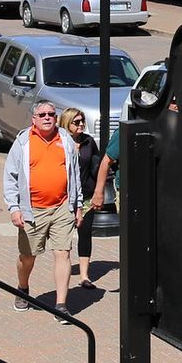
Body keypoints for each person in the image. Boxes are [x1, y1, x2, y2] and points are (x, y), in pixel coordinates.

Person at [5, 100, 81, 316]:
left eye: (51, 114)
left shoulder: (65, 140)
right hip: (32, 209)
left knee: (63, 253)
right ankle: (22, 288)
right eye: (42, 115)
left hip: (62, 207)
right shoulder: (23, 142)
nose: (47, 118)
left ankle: (61, 305)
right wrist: (14, 208)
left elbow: (74, 175)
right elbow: (10, 178)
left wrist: (77, 205)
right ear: (34, 119)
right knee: (27, 257)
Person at [60, 108, 102, 289]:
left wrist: (98, 191)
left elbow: (97, 165)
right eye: (76, 122)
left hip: (86, 196)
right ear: (66, 123)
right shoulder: (60, 142)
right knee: (63, 237)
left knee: (85, 234)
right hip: (64, 198)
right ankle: (63, 270)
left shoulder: (88, 141)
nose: (81, 125)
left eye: (82, 121)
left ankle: (84, 276)